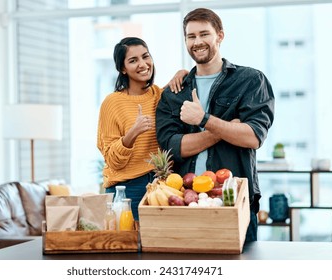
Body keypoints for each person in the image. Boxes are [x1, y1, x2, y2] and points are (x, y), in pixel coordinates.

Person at [156, 8, 275, 241]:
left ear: (220, 35)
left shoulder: (250, 81)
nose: (197, 42)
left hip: (233, 200)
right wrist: (226, 129)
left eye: (204, 34)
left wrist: (203, 120)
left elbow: (253, 137)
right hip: (184, 202)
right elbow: (173, 148)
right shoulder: (174, 93)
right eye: (191, 36)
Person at [97, 37, 187, 221]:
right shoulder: (112, 103)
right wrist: (132, 133)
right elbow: (112, 160)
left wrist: (182, 72)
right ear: (122, 69)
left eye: (145, 56)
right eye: (133, 60)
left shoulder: (159, 96)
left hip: (162, 184)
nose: (142, 64)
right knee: (130, 246)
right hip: (127, 189)